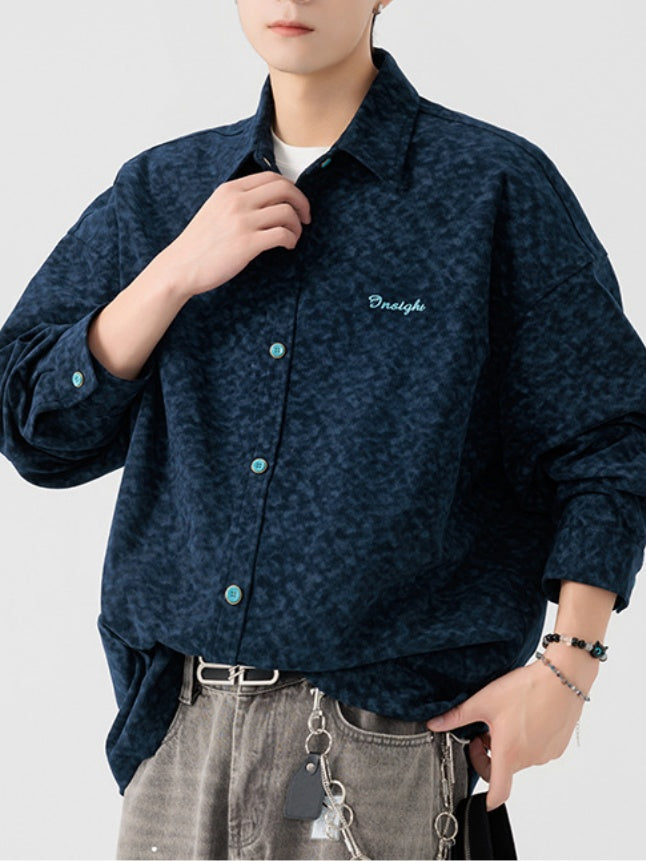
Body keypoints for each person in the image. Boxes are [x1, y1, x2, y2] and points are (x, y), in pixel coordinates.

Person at [1, 1, 645, 858]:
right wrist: (171, 275)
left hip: (381, 747)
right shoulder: (162, 191)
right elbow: (34, 426)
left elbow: (611, 438)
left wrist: (568, 670)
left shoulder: (490, 187)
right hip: (178, 737)